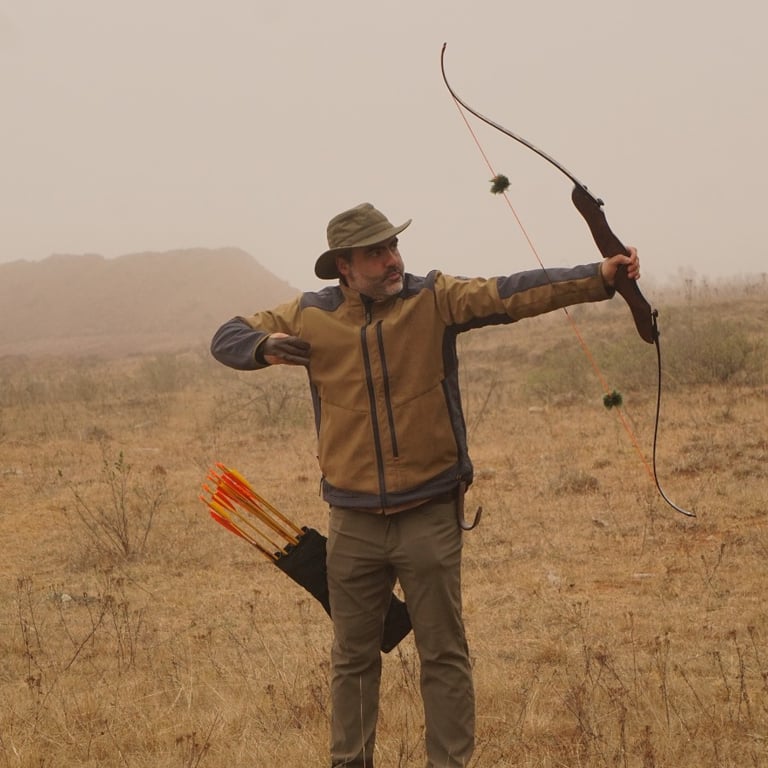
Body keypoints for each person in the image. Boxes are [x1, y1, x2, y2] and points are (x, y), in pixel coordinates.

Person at [210, 202, 641, 768]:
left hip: (429, 514)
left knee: (442, 653)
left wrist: (599, 276)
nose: (392, 259)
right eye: (375, 253)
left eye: (393, 246)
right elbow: (227, 335)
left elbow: (509, 293)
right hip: (353, 522)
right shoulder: (309, 314)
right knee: (352, 657)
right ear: (344, 266)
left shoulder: (433, 298)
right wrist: (262, 347)